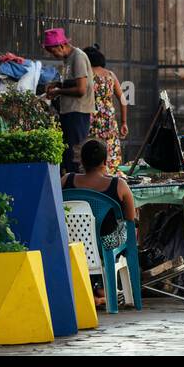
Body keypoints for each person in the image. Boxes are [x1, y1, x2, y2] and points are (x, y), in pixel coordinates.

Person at [62, 137, 138, 309]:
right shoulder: (118, 185)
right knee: (128, 230)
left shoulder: (66, 180)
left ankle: (97, 290)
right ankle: (105, 289)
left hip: (75, 245)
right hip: (106, 246)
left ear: (81, 160)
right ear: (105, 160)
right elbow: (130, 218)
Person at [43, 27, 95, 173]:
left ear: (61, 45)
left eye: (54, 52)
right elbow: (72, 82)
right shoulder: (67, 59)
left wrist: (58, 91)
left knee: (75, 154)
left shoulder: (77, 57)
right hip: (69, 111)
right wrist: (58, 84)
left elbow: (81, 89)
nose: (54, 56)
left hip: (77, 112)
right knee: (68, 153)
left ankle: (76, 183)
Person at [83, 45, 127, 173]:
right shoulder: (110, 75)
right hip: (109, 121)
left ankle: (92, 177)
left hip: (91, 120)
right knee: (110, 150)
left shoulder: (86, 75)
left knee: (91, 150)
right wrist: (124, 122)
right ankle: (111, 178)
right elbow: (123, 100)